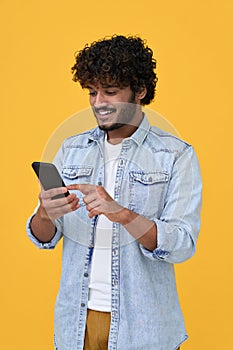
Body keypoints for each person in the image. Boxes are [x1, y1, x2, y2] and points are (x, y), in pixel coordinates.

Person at [26, 35, 202, 350]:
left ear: (140, 91)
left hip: (145, 327)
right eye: (92, 92)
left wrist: (121, 213)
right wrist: (44, 213)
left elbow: (182, 244)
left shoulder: (175, 155)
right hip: (77, 322)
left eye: (110, 92)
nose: (98, 103)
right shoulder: (73, 149)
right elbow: (44, 238)